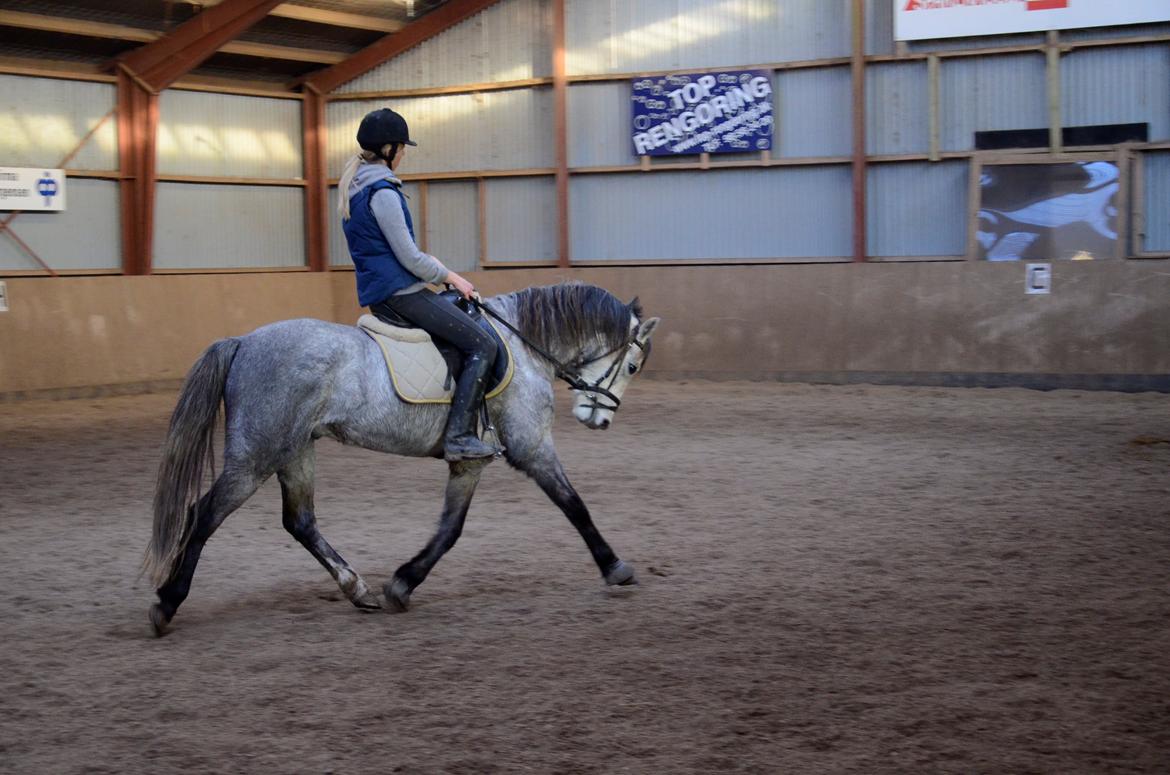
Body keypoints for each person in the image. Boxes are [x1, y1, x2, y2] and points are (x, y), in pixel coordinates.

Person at [339, 107, 501, 462]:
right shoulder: (382, 192)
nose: (405, 153)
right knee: (483, 345)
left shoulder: (357, 187)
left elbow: (405, 254)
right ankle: (459, 435)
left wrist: (442, 271)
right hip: (401, 295)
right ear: (388, 150)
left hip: (387, 291)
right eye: (402, 146)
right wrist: (453, 278)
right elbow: (411, 259)